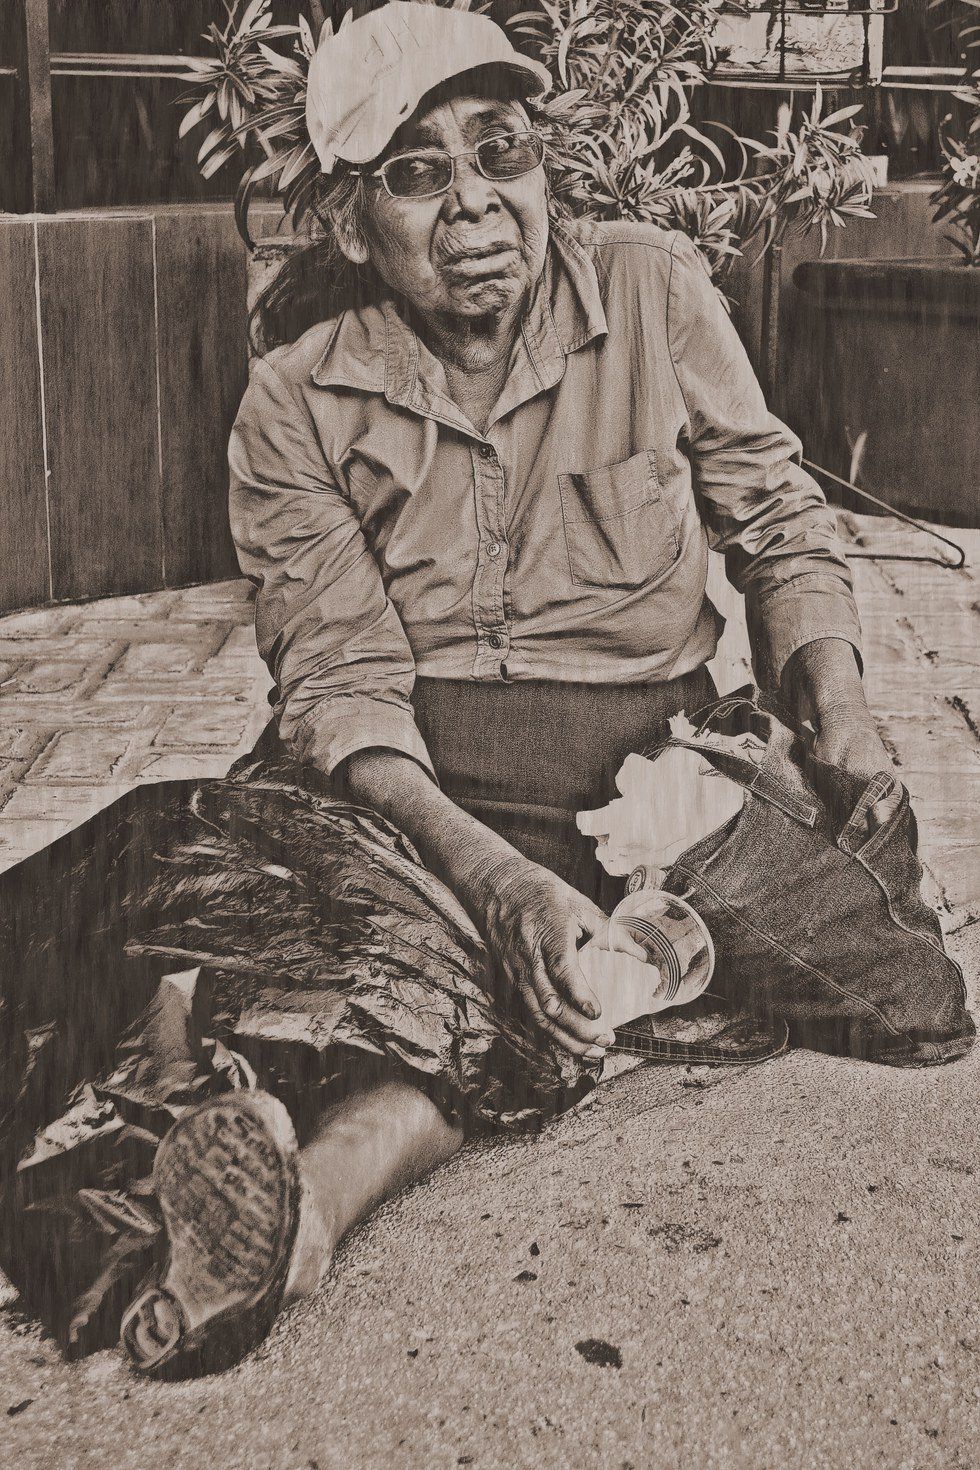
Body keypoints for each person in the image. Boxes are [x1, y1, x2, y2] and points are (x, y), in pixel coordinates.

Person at [3, 2, 944, 1375]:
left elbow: (778, 522)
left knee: (893, 991)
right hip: (411, 799)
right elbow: (340, 680)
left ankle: (253, 1144)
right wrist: (495, 879)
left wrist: (842, 718)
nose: (475, 204)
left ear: (542, 163)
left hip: (648, 791)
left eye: (501, 150)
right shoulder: (296, 398)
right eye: (416, 171)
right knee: (317, 934)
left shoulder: (650, 289)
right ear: (349, 222)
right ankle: (275, 1188)